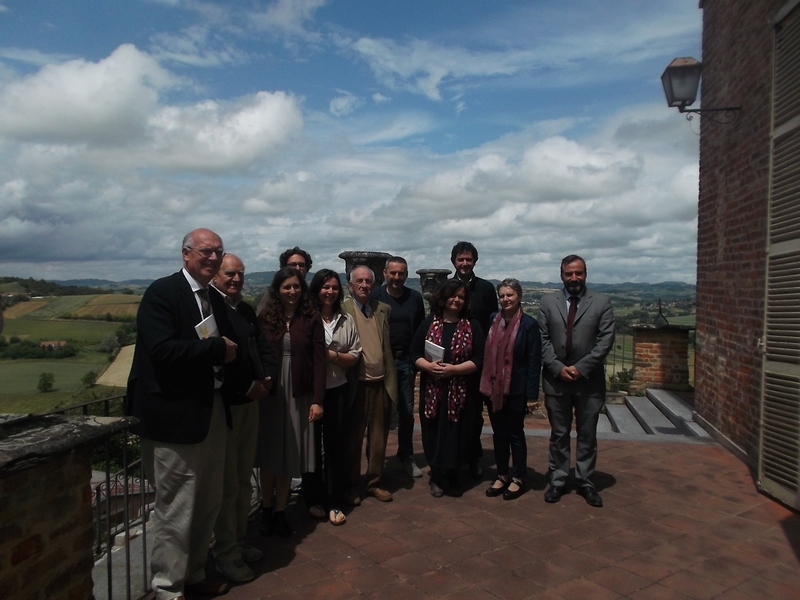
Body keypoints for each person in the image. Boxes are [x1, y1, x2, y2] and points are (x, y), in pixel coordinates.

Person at [126, 228, 238, 599]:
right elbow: (161, 350)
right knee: (175, 509)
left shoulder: (215, 299)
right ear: (186, 254)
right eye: (206, 251)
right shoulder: (162, 293)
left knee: (208, 501)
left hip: (211, 412)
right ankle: (167, 589)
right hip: (174, 420)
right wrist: (216, 350)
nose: (213, 258)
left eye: (218, 252)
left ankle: (193, 574)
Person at [210, 254, 278, 583]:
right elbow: (219, 359)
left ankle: (238, 542)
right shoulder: (213, 309)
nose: (236, 278)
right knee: (228, 485)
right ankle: (226, 553)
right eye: (230, 273)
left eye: (240, 273)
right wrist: (249, 385)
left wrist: (266, 379)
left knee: (241, 480)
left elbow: (263, 348)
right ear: (215, 276)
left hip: (251, 401)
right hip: (229, 405)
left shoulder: (246, 309)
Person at [538, 255, 615, 508]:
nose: (574, 278)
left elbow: (605, 341)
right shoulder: (548, 301)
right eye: (569, 273)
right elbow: (542, 339)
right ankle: (558, 479)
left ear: (585, 274)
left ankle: (586, 481)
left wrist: (581, 368)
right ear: (561, 275)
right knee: (559, 433)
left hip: (589, 381)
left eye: (578, 273)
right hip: (555, 380)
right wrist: (558, 368)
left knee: (587, 434)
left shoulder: (602, 302)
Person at [256, 267, 326, 536]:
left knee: (288, 455)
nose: (292, 291)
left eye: (296, 286)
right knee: (271, 454)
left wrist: (318, 399)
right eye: (286, 287)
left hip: (300, 392)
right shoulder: (265, 317)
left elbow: (320, 361)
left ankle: (281, 511)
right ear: (277, 290)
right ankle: (265, 508)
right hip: (272, 393)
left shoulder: (311, 317)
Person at [412, 279, 486, 497]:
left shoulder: (473, 326)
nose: (456, 300)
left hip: (462, 390)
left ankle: (453, 476)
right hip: (433, 391)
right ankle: (436, 477)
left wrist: (454, 370)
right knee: (434, 432)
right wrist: (428, 366)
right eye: (453, 295)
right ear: (443, 298)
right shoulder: (429, 324)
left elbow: (480, 359)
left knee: (458, 434)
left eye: (461, 297)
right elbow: (413, 353)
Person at [308, 269, 362, 525]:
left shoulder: (346, 320)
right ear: (316, 289)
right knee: (310, 447)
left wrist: (331, 356)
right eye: (324, 287)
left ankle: (334, 499)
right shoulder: (307, 318)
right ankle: (314, 497)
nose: (329, 291)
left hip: (337, 388)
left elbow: (354, 356)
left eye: (333, 287)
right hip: (310, 392)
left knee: (334, 446)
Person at [480, 279, 541, 500]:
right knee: (499, 434)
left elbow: (534, 363)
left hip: (516, 389)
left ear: (519, 297)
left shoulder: (529, 325)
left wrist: (532, 395)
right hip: (494, 389)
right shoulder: (492, 320)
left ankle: (519, 477)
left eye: (510, 295)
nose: (506, 299)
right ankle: (502, 474)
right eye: (502, 295)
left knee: (515, 434)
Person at [342, 266, 398, 504]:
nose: (364, 285)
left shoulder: (383, 310)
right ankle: (351, 486)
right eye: (359, 281)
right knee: (352, 440)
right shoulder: (342, 309)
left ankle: (374, 482)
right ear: (351, 285)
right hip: (355, 384)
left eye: (368, 281)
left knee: (378, 439)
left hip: (380, 383)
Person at [370, 256, 426, 478]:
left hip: (405, 362)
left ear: (406, 274)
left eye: (401, 273)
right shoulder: (375, 296)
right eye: (393, 273)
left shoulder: (415, 298)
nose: (397, 277)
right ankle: (374, 459)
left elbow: (420, 330)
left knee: (406, 412)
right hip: (380, 361)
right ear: (385, 273)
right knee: (377, 413)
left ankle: (406, 456)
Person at [449, 241, 498, 479]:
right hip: (452, 361)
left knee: (474, 412)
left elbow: (494, 323)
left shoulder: (487, 289)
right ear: (454, 262)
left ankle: (472, 457)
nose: (465, 263)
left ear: (475, 261)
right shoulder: (446, 287)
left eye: (468, 259)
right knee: (451, 410)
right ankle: (453, 456)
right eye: (461, 259)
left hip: (479, 361)